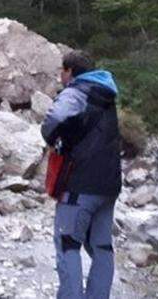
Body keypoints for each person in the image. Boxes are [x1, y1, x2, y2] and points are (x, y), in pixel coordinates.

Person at [41, 50, 122, 299]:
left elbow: (55, 118)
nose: (61, 77)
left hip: (80, 184)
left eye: (62, 71)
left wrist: (51, 137)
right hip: (108, 185)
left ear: (70, 71)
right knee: (102, 247)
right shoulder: (107, 95)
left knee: (68, 244)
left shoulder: (77, 92)